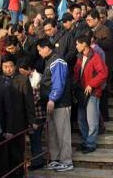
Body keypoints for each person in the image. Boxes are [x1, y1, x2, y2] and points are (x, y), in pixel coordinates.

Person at [37, 38, 73, 172]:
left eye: (40, 50)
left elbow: (59, 82)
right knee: (52, 132)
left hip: (60, 103)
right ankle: (56, 158)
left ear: (47, 47)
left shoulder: (58, 61)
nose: (40, 53)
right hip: (51, 103)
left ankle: (67, 161)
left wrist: (52, 98)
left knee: (63, 133)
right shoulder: (49, 61)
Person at [1, 55, 35, 177]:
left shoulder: (22, 80)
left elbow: (29, 101)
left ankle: (19, 174)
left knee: (17, 152)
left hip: (18, 121)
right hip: (3, 123)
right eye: (5, 67)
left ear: (15, 66)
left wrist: (32, 120)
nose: (8, 69)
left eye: (10, 66)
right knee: (5, 153)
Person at [73, 35, 108, 154]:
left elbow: (103, 74)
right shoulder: (79, 57)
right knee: (81, 119)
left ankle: (91, 143)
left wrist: (91, 84)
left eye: (78, 43)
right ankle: (86, 140)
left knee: (92, 119)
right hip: (81, 92)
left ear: (84, 44)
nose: (76, 46)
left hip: (92, 92)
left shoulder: (95, 57)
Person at [86, 9, 113, 122]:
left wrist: (95, 41)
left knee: (104, 91)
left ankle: (105, 117)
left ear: (96, 19)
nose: (88, 22)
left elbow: (108, 44)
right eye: (87, 20)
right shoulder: (89, 30)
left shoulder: (105, 30)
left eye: (90, 20)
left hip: (105, 63)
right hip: (94, 66)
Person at [17, 58, 46, 171]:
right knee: (35, 139)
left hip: (37, 114)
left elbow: (34, 98)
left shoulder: (37, 78)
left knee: (35, 139)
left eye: (22, 71)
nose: (21, 74)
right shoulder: (30, 78)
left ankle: (38, 162)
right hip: (35, 114)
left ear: (28, 69)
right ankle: (37, 160)